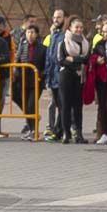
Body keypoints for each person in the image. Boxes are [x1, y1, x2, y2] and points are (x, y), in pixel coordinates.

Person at [57, 16, 90, 143]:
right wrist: (77, 61)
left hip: (79, 77)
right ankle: (66, 133)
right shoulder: (63, 42)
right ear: (70, 27)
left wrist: (73, 59)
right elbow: (61, 60)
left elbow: (86, 59)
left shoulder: (85, 43)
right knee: (65, 105)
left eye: (81, 27)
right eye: (76, 27)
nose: (79, 30)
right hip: (66, 76)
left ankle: (79, 133)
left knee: (78, 106)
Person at [13, 23, 46, 139]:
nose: (30, 35)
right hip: (22, 80)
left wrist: (41, 75)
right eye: (28, 32)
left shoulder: (42, 48)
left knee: (31, 105)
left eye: (32, 32)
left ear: (36, 34)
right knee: (26, 105)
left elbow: (45, 65)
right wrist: (16, 71)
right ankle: (31, 127)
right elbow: (17, 60)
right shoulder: (23, 46)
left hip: (36, 82)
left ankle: (34, 130)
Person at [42, 8, 66, 141]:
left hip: (61, 75)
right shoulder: (51, 35)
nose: (56, 20)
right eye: (55, 17)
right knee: (57, 103)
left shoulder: (64, 35)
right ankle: (57, 130)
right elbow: (49, 57)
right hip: (52, 76)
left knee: (62, 105)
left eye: (59, 17)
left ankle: (60, 130)